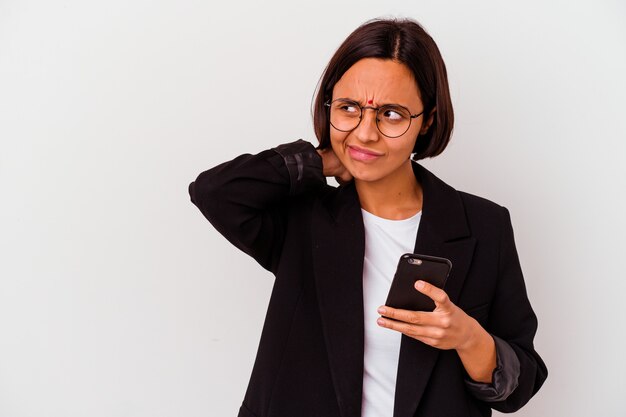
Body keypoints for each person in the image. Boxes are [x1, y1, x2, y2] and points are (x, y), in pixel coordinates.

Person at [189, 17, 547, 417]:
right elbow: (214, 192)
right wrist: (319, 159)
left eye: (391, 115)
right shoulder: (303, 219)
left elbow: (521, 384)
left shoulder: (484, 226)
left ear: (426, 119)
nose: (364, 133)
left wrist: (468, 338)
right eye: (349, 109)